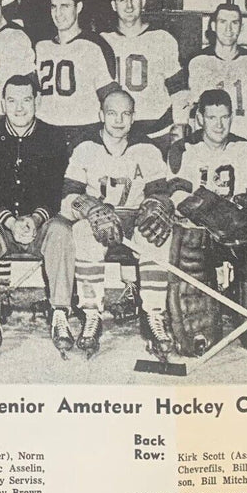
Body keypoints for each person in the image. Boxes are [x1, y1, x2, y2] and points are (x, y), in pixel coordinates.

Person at [167, 89, 247, 357]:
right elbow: (176, 194)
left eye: (225, 117)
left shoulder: (243, 148)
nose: (219, 125)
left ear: (232, 118)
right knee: (187, 242)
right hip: (202, 232)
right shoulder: (185, 148)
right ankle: (199, 329)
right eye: (212, 117)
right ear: (199, 118)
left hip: (238, 232)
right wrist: (208, 210)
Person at [60, 88, 175, 358]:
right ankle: (92, 314)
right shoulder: (85, 147)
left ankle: (154, 315)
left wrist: (156, 206)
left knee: (157, 234)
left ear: (133, 117)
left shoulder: (147, 148)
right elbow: (67, 198)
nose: (119, 120)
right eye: (112, 113)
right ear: (101, 114)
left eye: (126, 114)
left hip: (134, 219)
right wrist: (88, 208)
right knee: (82, 232)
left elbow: (161, 194)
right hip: (98, 221)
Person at [0, 75, 73, 352]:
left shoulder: (53, 138)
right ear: (2, 103)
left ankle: (60, 312)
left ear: (37, 101)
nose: (19, 108)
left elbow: (55, 190)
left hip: (40, 223)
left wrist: (34, 219)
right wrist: (11, 221)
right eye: (11, 101)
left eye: (26, 100)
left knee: (62, 230)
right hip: (3, 224)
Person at [186, 3, 247, 174]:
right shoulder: (198, 62)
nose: (228, 29)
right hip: (208, 146)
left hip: (246, 143)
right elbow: (190, 108)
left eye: (234, 23)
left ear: (241, 27)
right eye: (222, 22)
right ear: (213, 26)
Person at [100, 0, 188, 149]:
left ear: (143, 2)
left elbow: (177, 90)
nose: (129, 6)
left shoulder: (162, 38)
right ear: (113, 5)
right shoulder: (103, 41)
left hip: (158, 130)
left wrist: (180, 125)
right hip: (118, 131)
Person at [34, 0, 117, 151]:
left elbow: (110, 97)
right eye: (54, 7)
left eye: (64, 6)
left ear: (78, 7)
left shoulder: (94, 46)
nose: (58, 14)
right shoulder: (41, 46)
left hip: (84, 131)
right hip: (47, 129)